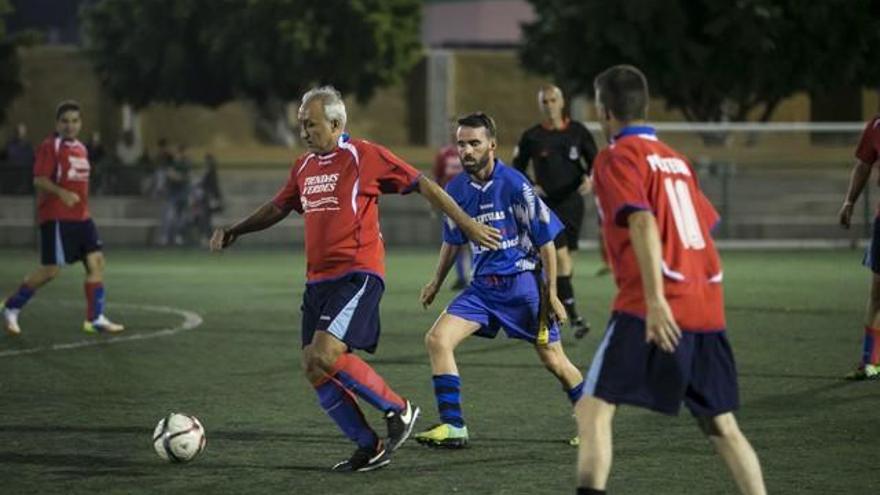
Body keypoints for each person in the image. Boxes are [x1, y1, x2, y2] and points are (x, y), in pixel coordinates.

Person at [210, 86, 501, 472]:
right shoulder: (303, 166)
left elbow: (423, 184)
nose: (303, 132)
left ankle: (399, 409)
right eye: (300, 125)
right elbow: (279, 206)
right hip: (317, 281)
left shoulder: (364, 155)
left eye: (310, 124)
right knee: (313, 366)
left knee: (326, 354)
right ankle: (368, 445)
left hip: (357, 273)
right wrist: (237, 230)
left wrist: (464, 223)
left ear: (335, 123)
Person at [574, 65, 765, 495]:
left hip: (653, 304)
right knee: (720, 424)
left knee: (593, 410)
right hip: (705, 301)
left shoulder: (616, 157)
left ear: (605, 112)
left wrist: (657, 300)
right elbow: (702, 226)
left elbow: (641, 221)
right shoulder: (677, 161)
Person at [414, 112, 584, 448]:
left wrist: (551, 295)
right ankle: (454, 426)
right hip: (483, 290)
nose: (466, 151)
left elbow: (546, 242)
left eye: (474, 143)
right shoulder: (456, 188)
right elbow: (453, 239)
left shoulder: (515, 184)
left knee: (555, 360)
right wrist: (436, 281)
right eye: (461, 144)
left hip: (523, 288)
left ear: (492, 145)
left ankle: (591, 422)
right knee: (437, 340)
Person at [2, 100, 124, 336]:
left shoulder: (81, 148)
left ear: (80, 123)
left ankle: (95, 318)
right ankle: (11, 306)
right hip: (57, 217)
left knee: (96, 262)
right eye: (65, 121)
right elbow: (39, 179)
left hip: (82, 218)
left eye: (75, 121)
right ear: (57, 123)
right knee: (50, 270)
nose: (70, 126)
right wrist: (62, 193)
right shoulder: (51, 146)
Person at [513, 84, 600, 339]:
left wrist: (591, 179)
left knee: (565, 262)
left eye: (553, 100)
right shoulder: (532, 136)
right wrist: (531, 185)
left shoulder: (578, 132)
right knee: (560, 259)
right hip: (546, 207)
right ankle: (574, 318)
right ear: (540, 105)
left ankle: (553, 306)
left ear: (562, 102)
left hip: (573, 203)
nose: (549, 105)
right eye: (545, 101)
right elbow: (517, 168)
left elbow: (596, 161)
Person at [839, 113, 880, 380]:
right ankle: (870, 360)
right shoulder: (877, 126)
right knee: (878, 291)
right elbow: (864, 165)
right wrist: (849, 202)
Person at [432, 131, 470, 289]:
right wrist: (435, 202)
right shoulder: (444, 154)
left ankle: (476, 275)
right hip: (451, 204)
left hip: (470, 202)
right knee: (456, 242)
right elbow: (437, 178)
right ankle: (462, 277)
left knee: (476, 239)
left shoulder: (469, 151)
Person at [159, 144, 192, 246]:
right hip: (172, 194)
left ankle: (179, 236)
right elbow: (169, 174)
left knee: (182, 217)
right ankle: (165, 238)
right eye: (180, 152)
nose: (181, 154)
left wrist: (176, 176)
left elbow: (184, 177)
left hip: (183, 194)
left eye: (183, 152)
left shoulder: (186, 164)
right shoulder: (171, 162)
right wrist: (174, 175)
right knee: (169, 216)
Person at [3, 122, 35, 194]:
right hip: (14, 176)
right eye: (20, 131)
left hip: (26, 177)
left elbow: (32, 157)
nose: (22, 134)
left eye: (23, 131)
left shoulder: (28, 146)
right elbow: (11, 156)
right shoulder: (11, 145)